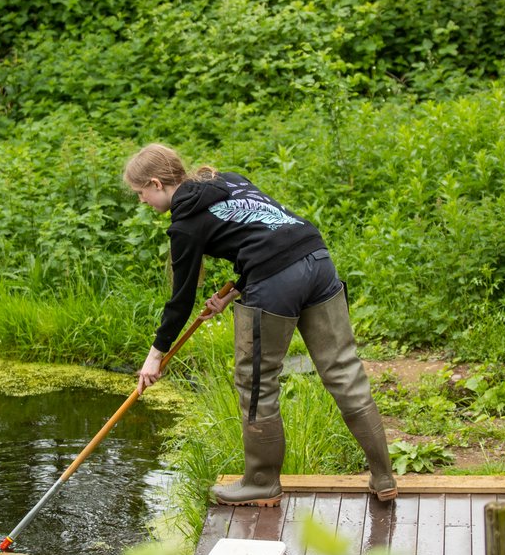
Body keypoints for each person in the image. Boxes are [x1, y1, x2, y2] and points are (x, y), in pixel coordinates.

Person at [124, 143, 397, 507]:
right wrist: (234, 291)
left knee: (256, 382)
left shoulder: (185, 225)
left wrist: (155, 354)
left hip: (279, 279)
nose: (142, 201)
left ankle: (261, 481)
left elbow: (182, 299)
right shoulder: (227, 180)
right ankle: (383, 476)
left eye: (141, 193)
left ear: (156, 183)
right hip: (316, 258)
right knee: (344, 369)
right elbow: (266, 233)